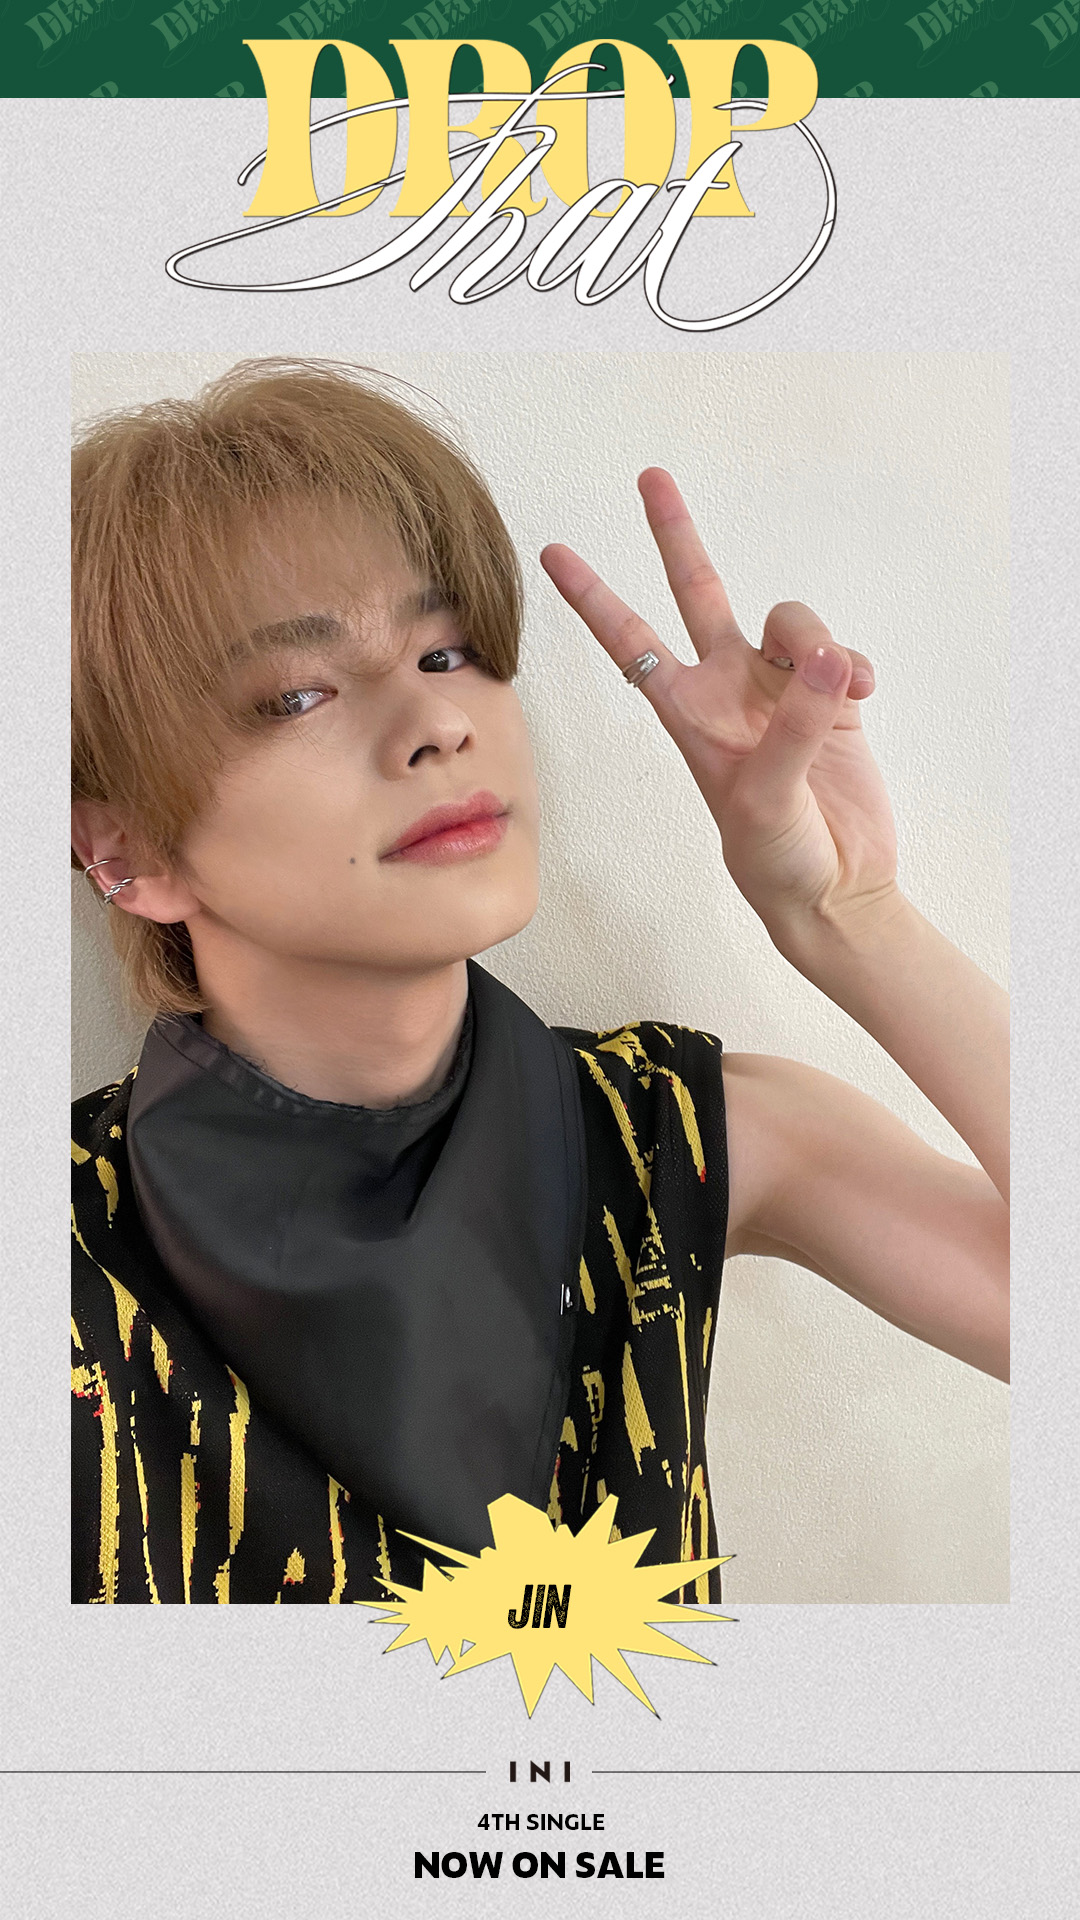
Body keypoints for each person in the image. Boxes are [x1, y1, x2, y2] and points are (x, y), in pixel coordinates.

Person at [70, 358, 1009, 1607]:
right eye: (296, 694)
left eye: (449, 651)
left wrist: (850, 915)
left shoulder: (674, 1133)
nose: (437, 723)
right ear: (127, 848)